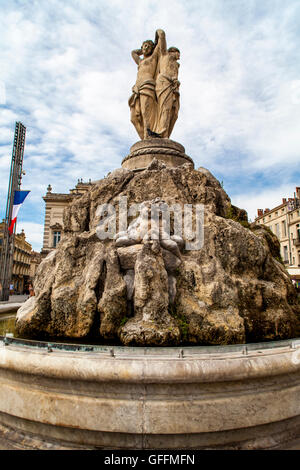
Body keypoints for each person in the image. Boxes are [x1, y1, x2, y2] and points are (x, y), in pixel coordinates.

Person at [129, 30, 165, 140]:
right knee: (134, 117)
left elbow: (161, 38)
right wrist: (142, 49)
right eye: (144, 46)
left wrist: (157, 36)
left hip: (147, 85)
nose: (146, 48)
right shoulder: (140, 62)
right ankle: (146, 139)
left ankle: (148, 136)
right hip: (137, 88)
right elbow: (133, 53)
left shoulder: (153, 58)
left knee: (146, 113)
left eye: (148, 46)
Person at [155, 36, 180, 138]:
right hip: (164, 83)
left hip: (174, 88)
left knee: (174, 113)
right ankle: (162, 133)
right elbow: (161, 34)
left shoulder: (177, 65)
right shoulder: (165, 55)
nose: (179, 56)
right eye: (178, 53)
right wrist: (156, 40)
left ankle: (166, 133)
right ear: (172, 52)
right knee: (165, 108)